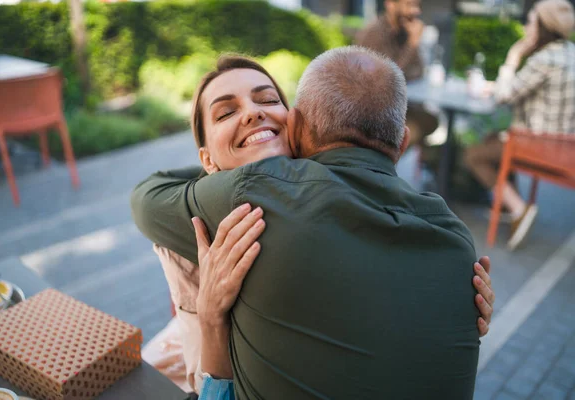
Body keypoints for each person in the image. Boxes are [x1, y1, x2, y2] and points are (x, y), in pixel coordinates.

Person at [132, 47, 487, 399]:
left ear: (296, 125)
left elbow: (147, 196)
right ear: (404, 142)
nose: (253, 114)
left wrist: (229, 164)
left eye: (268, 101)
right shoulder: (456, 242)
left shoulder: (255, 195)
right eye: (226, 112)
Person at [465, 0, 575, 250]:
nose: (526, 27)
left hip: (538, 147)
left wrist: (513, 57)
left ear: (543, 26)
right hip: (565, 147)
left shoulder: (546, 59)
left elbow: (504, 96)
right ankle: (509, 203)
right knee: (493, 137)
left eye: (531, 21)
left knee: (473, 154)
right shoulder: (570, 52)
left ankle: (518, 208)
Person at [355, 0, 438, 146]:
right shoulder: (374, 34)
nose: (416, 11)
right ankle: (383, 159)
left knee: (430, 120)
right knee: (418, 126)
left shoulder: (403, 31)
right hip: (374, 115)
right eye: (410, 5)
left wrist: (413, 44)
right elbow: (387, 79)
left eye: (418, 6)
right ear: (390, 4)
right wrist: (412, 43)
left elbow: (418, 71)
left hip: (395, 108)